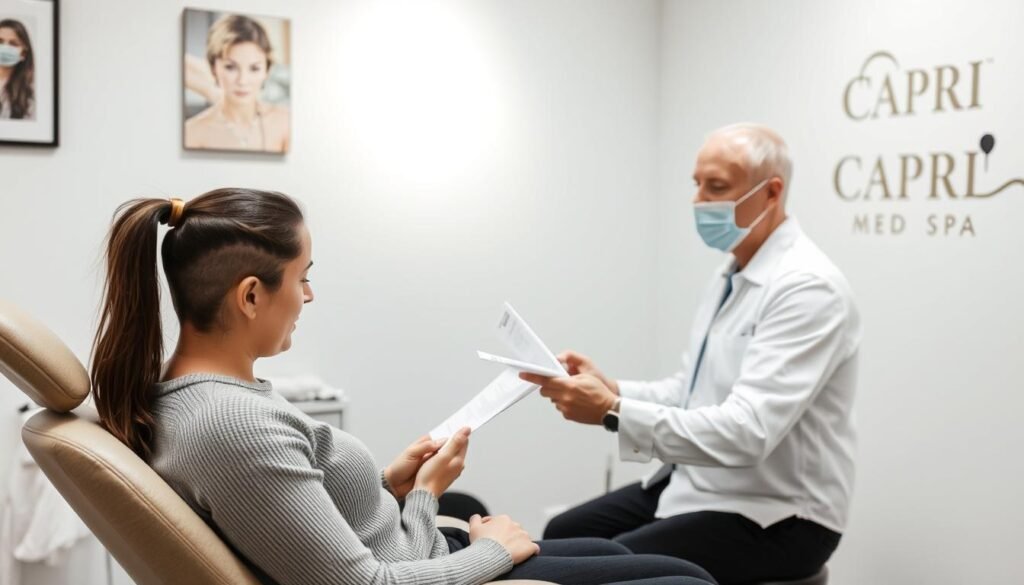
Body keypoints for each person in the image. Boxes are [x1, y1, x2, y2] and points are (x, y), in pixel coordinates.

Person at [89, 188, 717, 585]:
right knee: (684, 580)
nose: (309, 295)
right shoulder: (231, 424)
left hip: (420, 550)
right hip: (424, 566)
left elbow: (295, 513)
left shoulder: (205, 395)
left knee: (672, 568)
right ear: (251, 295)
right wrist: (465, 531)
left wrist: (396, 484)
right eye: (301, 278)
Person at [520, 124, 860, 585]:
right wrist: (612, 390)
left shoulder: (806, 288)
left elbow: (747, 432)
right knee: (564, 533)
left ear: (772, 192)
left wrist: (614, 411)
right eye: (696, 184)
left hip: (780, 517)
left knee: (610, 570)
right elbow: (692, 391)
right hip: (701, 484)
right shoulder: (733, 272)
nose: (699, 200)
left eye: (716, 187)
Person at [184, 14, 289, 152]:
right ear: (213, 68)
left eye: (254, 68)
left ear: (266, 70)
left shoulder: (285, 122)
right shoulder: (192, 132)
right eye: (230, 67)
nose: (242, 81)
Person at [0, 19, 35, 120]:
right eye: (0, 41)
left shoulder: (30, 97)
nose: (5, 48)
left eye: (13, 44)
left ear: (23, 53)